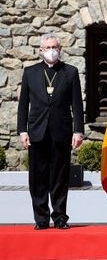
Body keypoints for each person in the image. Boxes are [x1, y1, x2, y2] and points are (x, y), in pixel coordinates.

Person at [17, 33, 84, 230]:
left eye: (54, 47)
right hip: (37, 131)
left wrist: (78, 131)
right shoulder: (30, 73)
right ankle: (41, 219)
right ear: (40, 51)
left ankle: (60, 217)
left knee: (60, 177)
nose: (51, 51)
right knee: (38, 177)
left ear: (60, 49)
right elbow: (23, 105)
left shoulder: (70, 72)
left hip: (61, 132)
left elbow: (77, 105)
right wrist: (22, 131)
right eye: (47, 48)